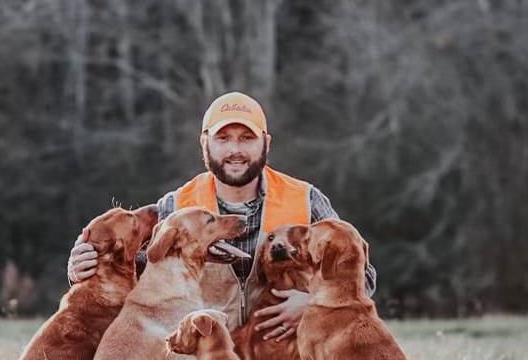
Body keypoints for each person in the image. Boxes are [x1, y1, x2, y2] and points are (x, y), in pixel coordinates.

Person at [67, 91, 376, 341]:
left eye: (246, 138)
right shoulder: (175, 208)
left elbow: (364, 279)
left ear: (266, 143)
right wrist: (81, 269)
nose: (235, 150)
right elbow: (127, 271)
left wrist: (311, 305)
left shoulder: (307, 201)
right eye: (223, 138)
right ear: (205, 144)